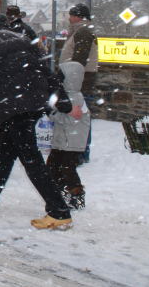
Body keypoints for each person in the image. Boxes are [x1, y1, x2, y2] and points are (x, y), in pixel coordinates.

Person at [0, 14, 73, 230]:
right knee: (4, 153)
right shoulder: (25, 40)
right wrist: (62, 100)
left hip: (13, 105)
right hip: (33, 103)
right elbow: (48, 71)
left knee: (30, 158)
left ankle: (59, 211)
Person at [48, 61, 91, 209]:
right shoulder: (68, 95)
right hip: (64, 140)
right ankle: (61, 194)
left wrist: (51, 113)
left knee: (67, 168)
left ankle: (76, 196)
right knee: (55, 167)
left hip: (71, 142)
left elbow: (68, 119)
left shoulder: (74, 98)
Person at [60, 3, 98, 164]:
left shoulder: (83, 32)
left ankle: (80, 153)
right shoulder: (80, 31)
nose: (69, 18)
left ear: (78, 17)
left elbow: (79, 60)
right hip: (79, 82)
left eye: (71, 15)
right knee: (79, 116)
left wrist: (70, 80)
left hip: (80, 83)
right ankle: (77, 151)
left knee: (80, 117)